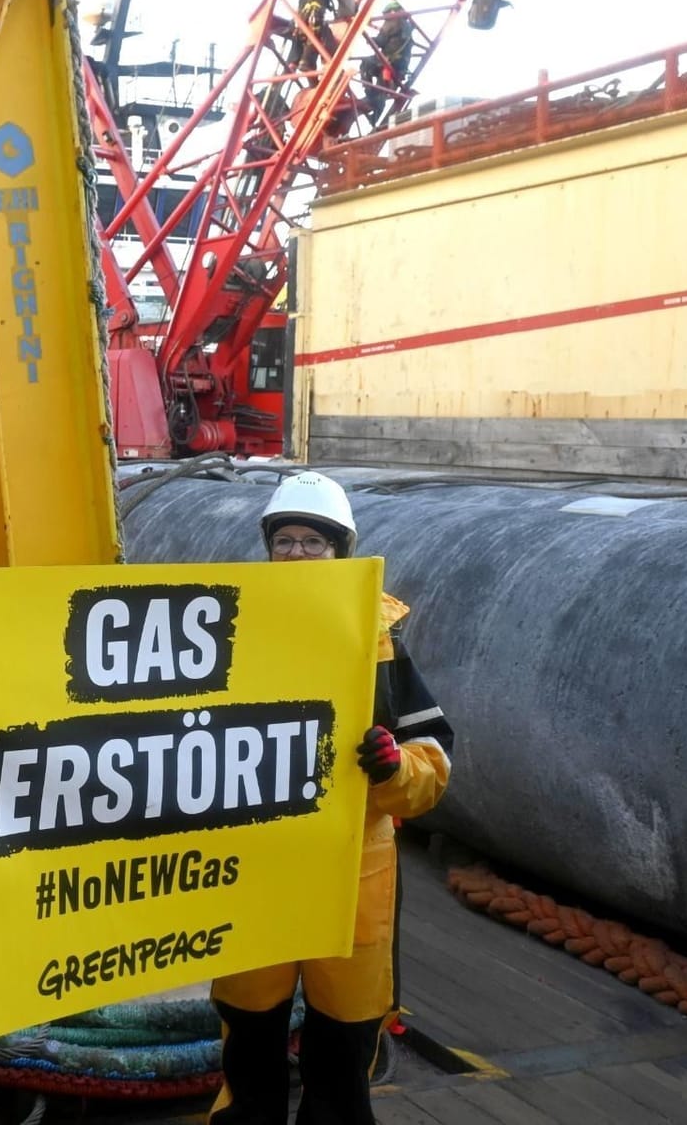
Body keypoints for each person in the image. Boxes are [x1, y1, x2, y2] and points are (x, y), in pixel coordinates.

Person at [208, 471, 455, 1125]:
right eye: (283, 541)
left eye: (312, 542)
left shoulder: (381, 648)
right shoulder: (227, 632)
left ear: (341, 551)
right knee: (249, 1030)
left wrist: (392, 771)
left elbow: (435, 755)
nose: (295, 554)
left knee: (344, 1044)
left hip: (354, 875)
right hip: (255, 866)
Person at [359, 0, 414, 125]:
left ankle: (369, 91)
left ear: (392, 12)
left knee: (365, 64)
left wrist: (368, 38)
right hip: (400, 66)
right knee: (382, 91)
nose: (385, 18)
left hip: (388, 60)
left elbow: (381, 41)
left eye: (386, 14)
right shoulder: (408, 25)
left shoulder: (393, 21)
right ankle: (375, 116)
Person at [294, 0, 343, 73]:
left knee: (304, 35)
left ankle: (295, 61)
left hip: (302, 12)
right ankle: (308, 62)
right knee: (317, 34)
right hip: (314, 12)